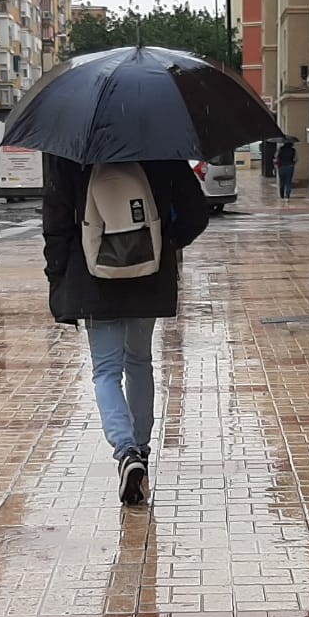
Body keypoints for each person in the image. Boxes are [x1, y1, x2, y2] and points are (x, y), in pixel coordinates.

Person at [43, 153, 212, 506]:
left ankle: (126, 452)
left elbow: (56, 220)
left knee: (106, 370)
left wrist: (58, 275)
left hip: (93, 276)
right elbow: (196, 211)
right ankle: (142, 451)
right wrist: (164, 242)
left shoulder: (69, 150)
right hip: (147, 275)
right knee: (139, 362)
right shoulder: (157, 141)